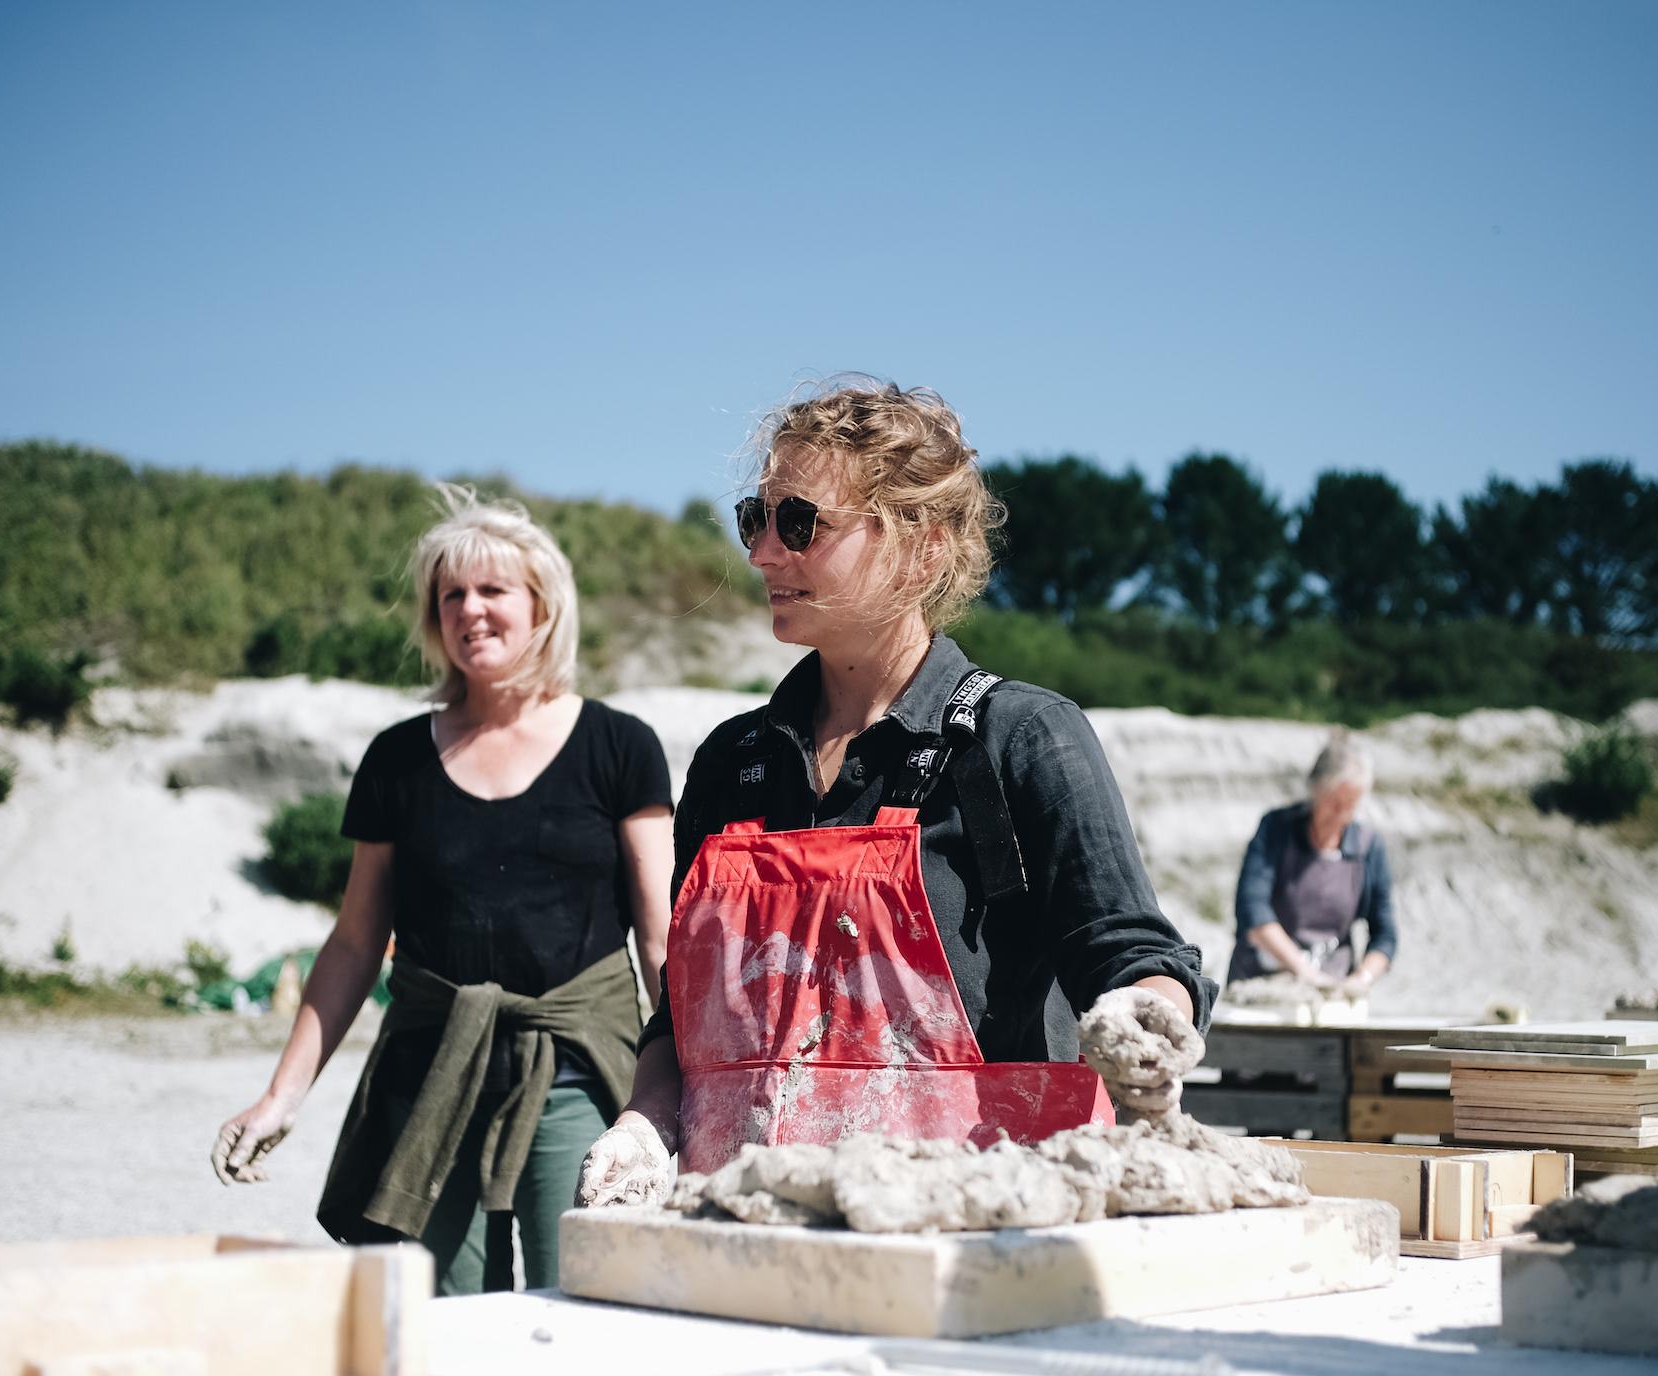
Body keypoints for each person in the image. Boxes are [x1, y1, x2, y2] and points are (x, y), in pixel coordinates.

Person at [576, 380, 1216, 1205]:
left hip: (969, 1241)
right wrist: (644, 1125)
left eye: (799, 522)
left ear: (924, 546)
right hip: (739, 1227)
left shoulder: (1021, 740)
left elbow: (1137, 958)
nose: (763, 552)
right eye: (755, 519)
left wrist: (1146, 1014)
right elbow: (682, 1019)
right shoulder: (732, 762)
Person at [211, 484, 673, 1292]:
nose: (470, 609)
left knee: (591, 1297)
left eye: (493, 589)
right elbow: (355, 943)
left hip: (576, 1072)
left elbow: (661, 936)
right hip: (429, 1078)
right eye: (450, 594)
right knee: (442, 1319)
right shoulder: (396, 760)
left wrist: (682, 1098)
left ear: (541, 605)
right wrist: (280, 1097)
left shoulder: (617, 746)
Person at [1225, 732, 1396, 1000]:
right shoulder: (1276, 829)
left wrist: (1361, 978)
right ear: (1315, 790)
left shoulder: (1368, 846)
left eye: (1349, 806)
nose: (1340, 815)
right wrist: (1305, 972)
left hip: (1333, 990)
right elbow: (1252, 911)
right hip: (1262, 985)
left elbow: (1385, 933)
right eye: (1333, 803)